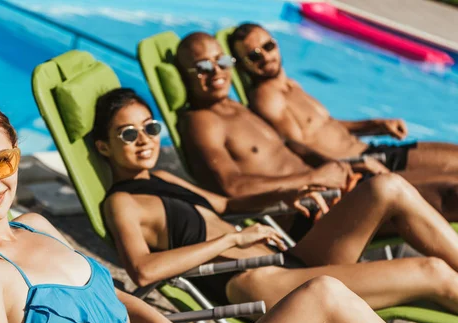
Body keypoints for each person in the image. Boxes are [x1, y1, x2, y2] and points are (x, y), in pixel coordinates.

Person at [0, 94, 458, 323]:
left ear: (17, 156)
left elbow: (112, 293)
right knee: (325, 297)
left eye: (0, 162)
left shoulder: (36, 224)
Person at [97, 87, 458, 313]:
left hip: (287, 262)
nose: (144, 139)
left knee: (386, 187)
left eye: (150, 127)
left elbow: (223, 205)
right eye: (128, 134)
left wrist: (287, 194)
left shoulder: (160, 176)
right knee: (432, 271)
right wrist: (233, 239)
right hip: (257, 284)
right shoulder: (122, 202)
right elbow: (143, 270)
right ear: (103, 146)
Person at [175, 32, 458, 221]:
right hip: (310, 211)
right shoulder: (201, 123)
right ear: (185, 76)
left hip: (337, 187)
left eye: (221, 60)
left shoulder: (235, 107)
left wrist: (346, 167)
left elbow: (290, 146)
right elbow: (233, 188)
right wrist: (314, 178)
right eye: (202, 67)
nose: (216, 72)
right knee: (450, 194)